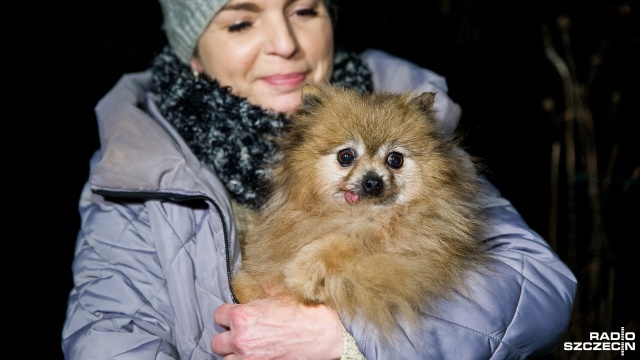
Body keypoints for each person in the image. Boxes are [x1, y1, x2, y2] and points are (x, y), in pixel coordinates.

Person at [61, 0, 578, 358]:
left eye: (304, 11)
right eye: (241, 22)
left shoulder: (426, 131)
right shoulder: (133, 172)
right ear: (192, 54)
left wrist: (345, 339)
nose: (284, 43)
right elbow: (109, 337)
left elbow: (542, 294)